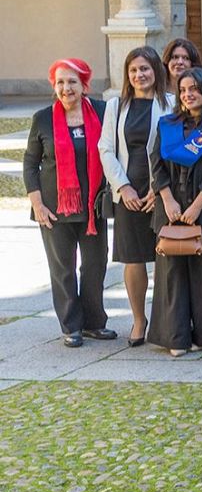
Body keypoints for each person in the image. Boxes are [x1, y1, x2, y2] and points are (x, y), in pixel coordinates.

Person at [24, 58, 114, 348]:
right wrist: (37, 204)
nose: (66, 88)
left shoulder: (101, 111)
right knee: (62, 268)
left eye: (72, 82)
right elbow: (30, 163)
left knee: (95, 265)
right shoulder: (42, 119)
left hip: (92, 207)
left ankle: (94, 323)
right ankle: (71, 326)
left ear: (84, 84)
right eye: (60, 82)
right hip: (54, 209)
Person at [149, 69, 202, 357]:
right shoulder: (167, 124)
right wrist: (168, 200)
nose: (188, 94)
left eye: (195, 88)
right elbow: (156, 164)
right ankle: (176, 337)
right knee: (172, 276)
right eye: (183, 89)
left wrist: (197, 205)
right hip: (170, 210)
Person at [98, 47, 173, 348]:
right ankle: (139, 320)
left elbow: (172, 148)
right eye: (133, 70)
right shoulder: (116, 106)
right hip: (128, 191)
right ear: (127, 75)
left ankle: (166, 321)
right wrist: (123, 187)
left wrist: (159, 189)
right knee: (133, 259)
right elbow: (105, 149)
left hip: (160, 191)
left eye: (145, 68)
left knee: (165, 257)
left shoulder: (171, 103)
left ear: (156, 70)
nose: (139, 75)